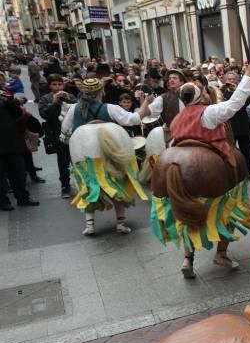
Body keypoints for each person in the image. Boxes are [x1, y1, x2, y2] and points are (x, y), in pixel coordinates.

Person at [168, 63, 250, 278]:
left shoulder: (177, 119)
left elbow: (172, 143)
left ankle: (188, 259)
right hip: (212, 161)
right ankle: (221, 253)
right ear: (200, 96)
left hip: (180, 164)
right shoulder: (208, 112)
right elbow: (234, 105)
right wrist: (248, 77)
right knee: (229, 203)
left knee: (185, 213)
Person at [61, 77, 153, 236]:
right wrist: (146, 102)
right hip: (109, 152)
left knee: (88, 185)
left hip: (85, 154)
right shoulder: (110, 108)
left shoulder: (73, 109)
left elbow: (65, 130)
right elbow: (134, 120)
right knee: (118, 182)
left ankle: (90, 225)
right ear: (101, 92)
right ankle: (120, 224)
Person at [38, 74, 77, 198]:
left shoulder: (70, 96)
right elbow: (44, 115)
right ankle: (65, 186)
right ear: (50, 86)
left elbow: (79, 110)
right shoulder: (45, 99)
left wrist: (69, 101)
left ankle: (83, 183)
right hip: (57, 133)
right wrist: (54, 103)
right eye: (54, 84)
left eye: (59, 84)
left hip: (73, 133)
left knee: (78, 159)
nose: (57, 87)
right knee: (63, 161)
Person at [0, 89, 39, 211]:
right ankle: (3, 201)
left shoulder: (5, 100)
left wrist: (9, 100)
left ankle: (23, 198)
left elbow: (18, 113)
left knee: (19, 172)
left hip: (13, 143)